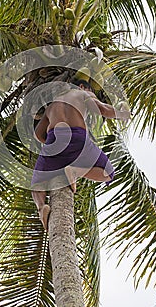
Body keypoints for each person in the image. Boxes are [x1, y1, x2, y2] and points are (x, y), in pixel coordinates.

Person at [31, 79, 131, 231]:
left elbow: (38, 134)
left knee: (37, 183)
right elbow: (103, 109)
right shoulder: (82, 93)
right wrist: (122, 114)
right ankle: (75, 171)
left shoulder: (51, 107)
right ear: (82, 86)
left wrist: (52, 145)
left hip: (53, 140)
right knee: (108, 172)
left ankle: (41, 208)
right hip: (77, 136)